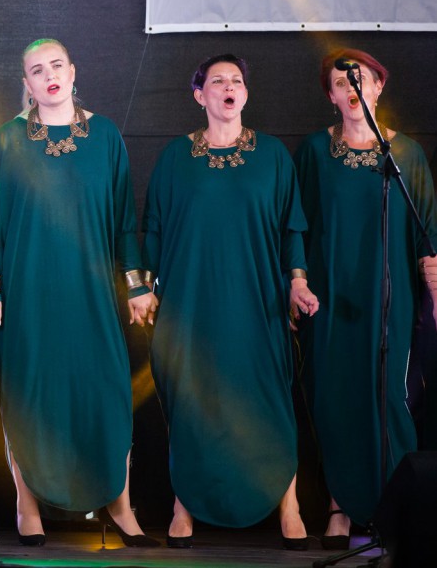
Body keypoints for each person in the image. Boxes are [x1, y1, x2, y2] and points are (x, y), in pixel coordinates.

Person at [0, 39, 156, 547]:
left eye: (57, 65)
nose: (49, 75)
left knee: (105, 395)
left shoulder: (105, 135)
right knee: (30, 395)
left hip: (92, 291)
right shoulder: (9, 140)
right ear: (27, 84)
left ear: (73, 72)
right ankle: (27, 506)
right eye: (37, 70)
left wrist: (136, 285)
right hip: (28, 291)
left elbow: (123, 219)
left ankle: (121, 506)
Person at [141, 53, 319, 550]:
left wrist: (297, 283)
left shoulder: (273, 156)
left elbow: (292, 229)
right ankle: (184, 506)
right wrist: (147, 288)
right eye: (217, 80)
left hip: (256, 302)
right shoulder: (176, 157)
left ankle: (289, 505)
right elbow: (153, 228)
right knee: (194, 403)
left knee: (268, 399)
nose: (228, 86)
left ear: (245, 93)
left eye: (236, 80)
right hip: (191, 303)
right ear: (200, 95)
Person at [293, 49, 437, 549]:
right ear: (331, 96)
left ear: (378, 86)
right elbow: (296, 224)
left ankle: (396, 511)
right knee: (336, 397)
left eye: (360, 79)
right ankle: (339, 507)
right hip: (330, 296)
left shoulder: (407, 154)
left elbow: (428, 233)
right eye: (340, 82)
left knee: (389, 396)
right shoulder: (315, 151)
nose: (351, 88)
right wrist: (296, 283)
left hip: (390, 299)